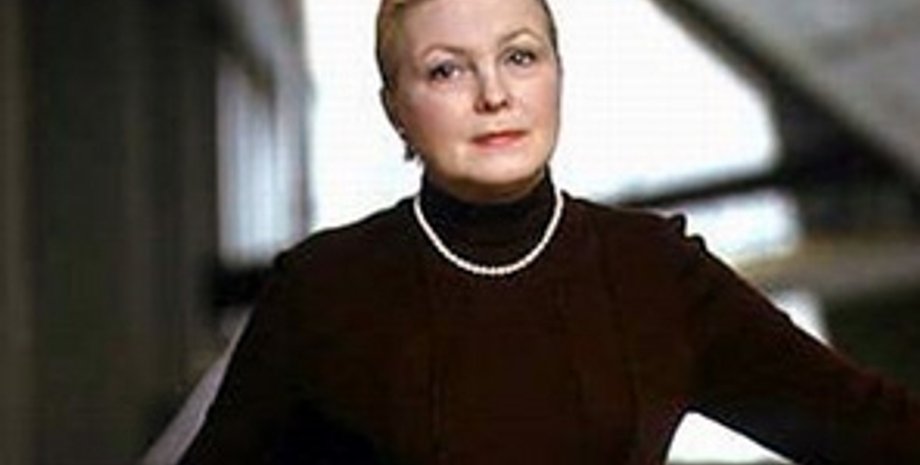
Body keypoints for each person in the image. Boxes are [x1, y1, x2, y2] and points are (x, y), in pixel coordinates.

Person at [179, 0, 920, 463]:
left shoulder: (653, 270)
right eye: (446, 71)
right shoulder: (325, 288)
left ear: (557, 72)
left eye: (520, 56)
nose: (495, 94)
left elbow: (870, 429)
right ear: (395, 108)